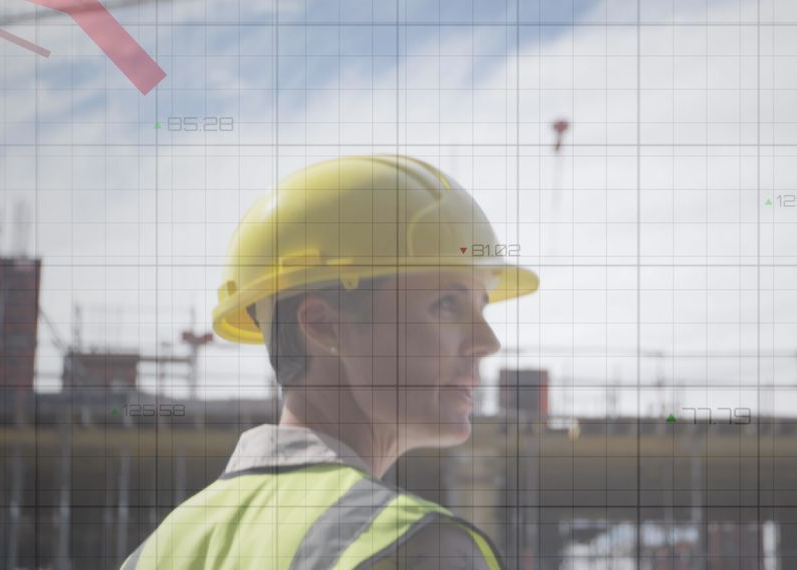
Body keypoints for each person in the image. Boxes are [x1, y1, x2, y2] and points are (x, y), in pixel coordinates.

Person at [120, 155, 538, 569]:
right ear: (322, 325)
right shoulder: (417, 547)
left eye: (482, 308)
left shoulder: (158, 552)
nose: (487, 342)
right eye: (446, 304)